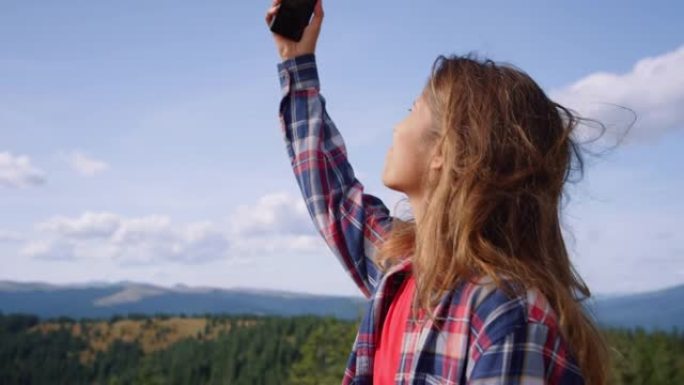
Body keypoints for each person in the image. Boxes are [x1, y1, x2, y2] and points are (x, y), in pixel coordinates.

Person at [265, 1, 610, 384]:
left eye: (411, 110)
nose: (396, 127)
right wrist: (295, 60)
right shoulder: (404, 269)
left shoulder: (503, 315)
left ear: (444, 151)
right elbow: (332, 192)